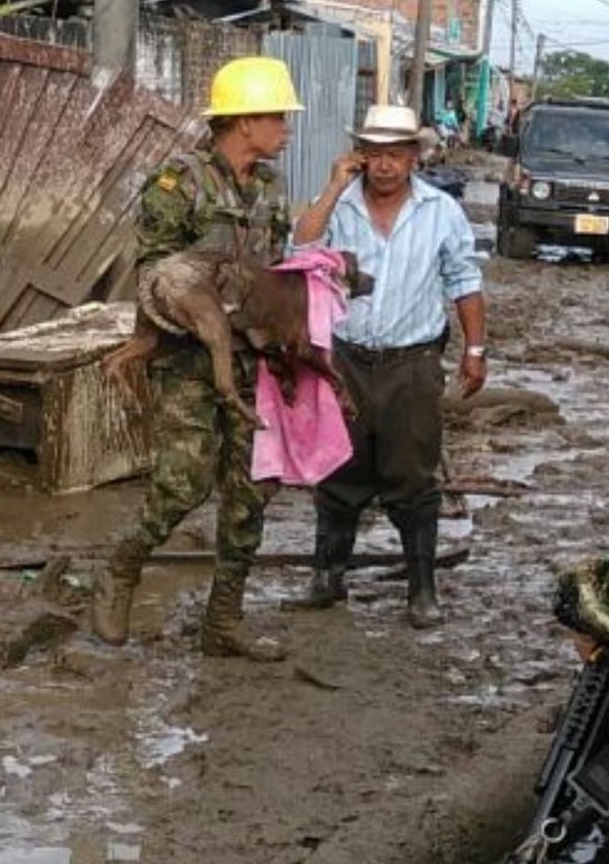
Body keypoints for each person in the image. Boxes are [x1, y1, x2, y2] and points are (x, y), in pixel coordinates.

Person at [91, 55, 304, 661]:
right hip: (187, 362)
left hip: (251, 362)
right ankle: (120, 571)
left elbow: (272, 271)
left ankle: (223, 624)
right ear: (244, 121)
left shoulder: (269, 187)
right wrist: (146, 339)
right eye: (278, 118)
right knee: (181, 487)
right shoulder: (177, 182)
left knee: (250, 493)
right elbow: (153, 272)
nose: (286, 130)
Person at [289, 104, 487, 629]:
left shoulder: (441, 211)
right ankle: (327, 579)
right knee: (339, 470)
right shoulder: (339, 206)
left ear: (413, 158)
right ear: (360, 156)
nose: (384, 166)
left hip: (413, 363)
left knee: (413, 474)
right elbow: (299, 247)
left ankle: (422, 591)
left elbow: (464, 281)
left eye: (395, 155)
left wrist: (475, 350)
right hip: (345, 360)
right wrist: (332, 187)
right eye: (374, 154)